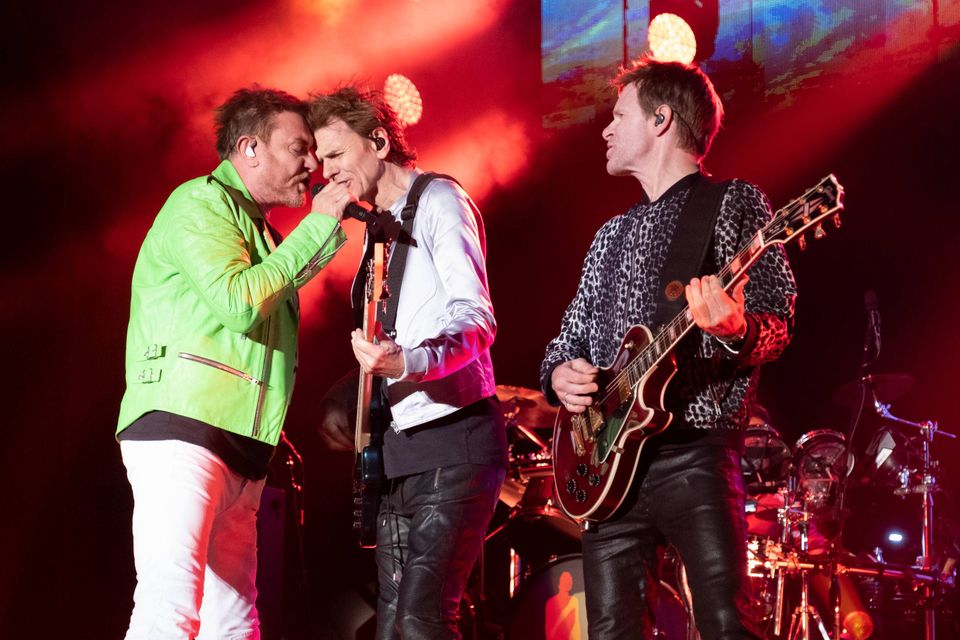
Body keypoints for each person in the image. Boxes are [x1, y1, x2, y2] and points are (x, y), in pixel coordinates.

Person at [540, 56, 797, 639]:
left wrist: (736, 329)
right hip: (607, 465)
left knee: (728, 625)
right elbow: (569, 335)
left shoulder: (732, 203)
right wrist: (558, 373)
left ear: (660, 120)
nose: (605, 130)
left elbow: (779, 323)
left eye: (618, 115)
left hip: (694, 453)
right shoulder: (610, 235)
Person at [116, 87, 352, 639]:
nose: (312, 164)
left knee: (234, 624)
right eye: (298, 149)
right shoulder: (198, 203)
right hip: (183, 433)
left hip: (238, 449)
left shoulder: (261, 229)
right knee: (170, 608)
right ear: (249, 148)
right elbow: (240, 302)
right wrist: (319, 225)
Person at [311, 86, 507, 639]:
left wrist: (408, 362)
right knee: (392, 627)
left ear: (378, 142)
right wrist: (345, 395)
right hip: (397, 453)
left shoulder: (440, 200)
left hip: (456, 442)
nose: (326, 172)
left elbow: (476, 318)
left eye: (335, 154)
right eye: (320, 159)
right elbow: (395, 335)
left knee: (422, 621)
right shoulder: (377, 227)